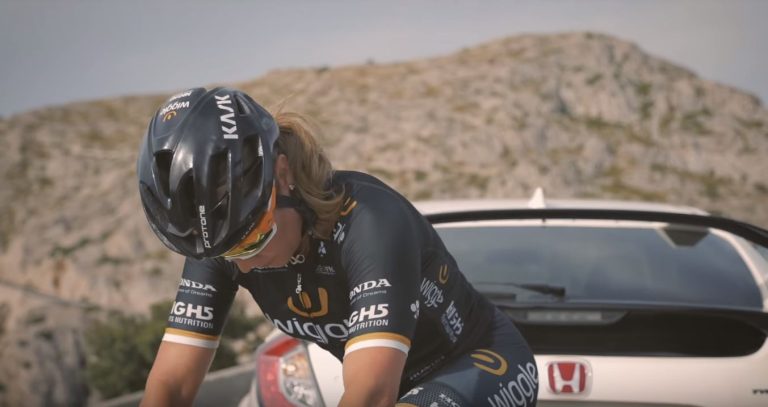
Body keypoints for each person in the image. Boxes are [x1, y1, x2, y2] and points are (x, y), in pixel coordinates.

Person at [137, 87, 538, 407]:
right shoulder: (219, 239)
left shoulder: (371, 221)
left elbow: (371, 395)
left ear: (282, 176)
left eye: (254, 239)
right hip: (396, 384)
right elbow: (171, 385)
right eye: (227, 255)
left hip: (478, 363)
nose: (243, 265)